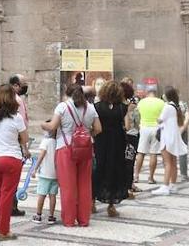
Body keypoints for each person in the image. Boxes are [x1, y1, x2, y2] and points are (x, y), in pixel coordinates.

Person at [42, 84, 101, 227]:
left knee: (68, 186)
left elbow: (53, 126)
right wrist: (86, 135)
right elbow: (98, 129)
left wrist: (43, 124)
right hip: (86, 149)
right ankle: (84, 219)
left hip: (65, 148)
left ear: (67, 93)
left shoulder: (62, 107)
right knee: (84, 185)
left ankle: (69, 220)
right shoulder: (91, 107)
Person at [0, 83, 29, 239]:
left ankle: (0, 226)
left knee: (0, 193)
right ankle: (3, 230)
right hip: (11, 158)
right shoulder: (16, 117)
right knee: (7, 195)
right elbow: (24, 138)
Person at [92, 80, 129, 215]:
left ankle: (92, 202)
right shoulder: (122, 108)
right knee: (114, 170)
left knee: (99, 169)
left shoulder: (96, 106)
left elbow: (93, 126)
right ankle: (111, 206)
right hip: (117, 142)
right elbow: (128, 126)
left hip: (101, 141)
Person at [157, 86, 187, 195]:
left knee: (167, 163)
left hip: (167, 137)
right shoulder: (175, 106)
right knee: (173, 162)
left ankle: (165, 186)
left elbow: (160, 120)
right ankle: (172, 185)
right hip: (173, 137)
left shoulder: (167, 107)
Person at [132, 85, 164, 184]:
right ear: (156, 92)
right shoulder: (161, 102)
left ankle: (136, 176)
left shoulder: (142, 102)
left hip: (144, 127)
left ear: (147, 92)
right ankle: (150, 177)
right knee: (153, 153)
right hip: (156, 128)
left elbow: (137, 115)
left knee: (141, 152)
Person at [31, 129, 59, 224]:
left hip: (45, 174)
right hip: (55, 174)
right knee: (53, 196)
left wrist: (35, 169)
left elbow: (41, 156)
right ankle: (51, 216)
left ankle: (38, 215)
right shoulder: (58, 142)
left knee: (41, 195)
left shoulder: (45, 142)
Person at [121, 80, 140, 196]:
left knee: (123, 161)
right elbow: (138, 122)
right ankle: (128, 185)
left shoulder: (115, 106)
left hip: (123, 136)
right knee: (130, 161)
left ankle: (127, 186)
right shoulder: (133, 107)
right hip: (132, 136)